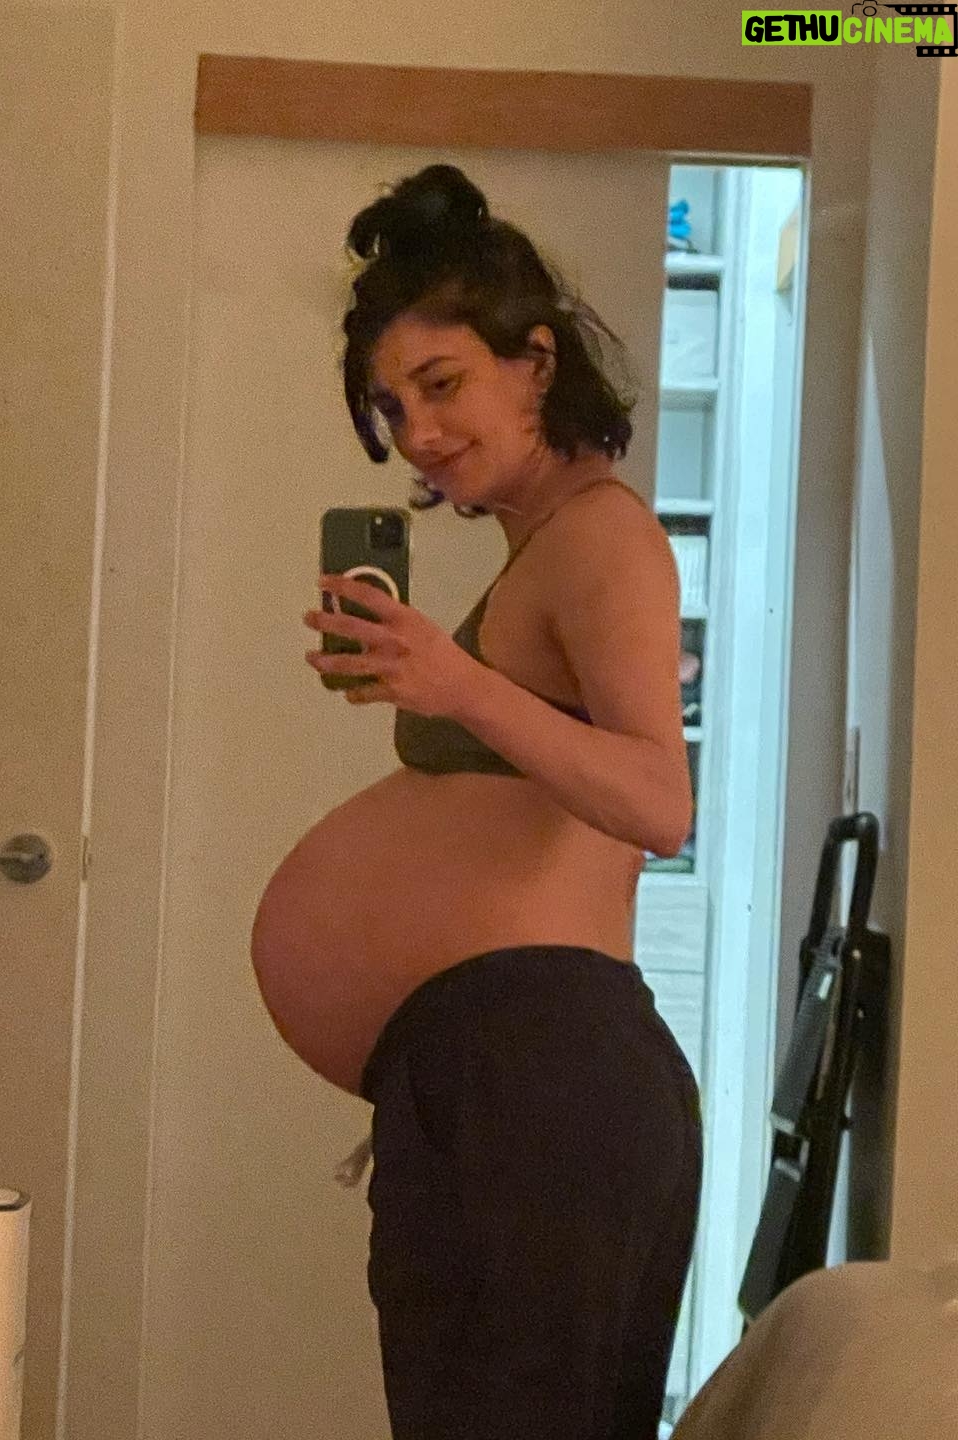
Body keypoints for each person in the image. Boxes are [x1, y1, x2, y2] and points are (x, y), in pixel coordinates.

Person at [250, 163, 703, 1440]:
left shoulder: (604, 535)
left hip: (542, 1079)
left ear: (537, 361)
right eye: (393, 406)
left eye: (442, 384)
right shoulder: (542, 547)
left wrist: (458, 686)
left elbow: (658, 800)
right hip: (492, 1077)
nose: (419, 433)